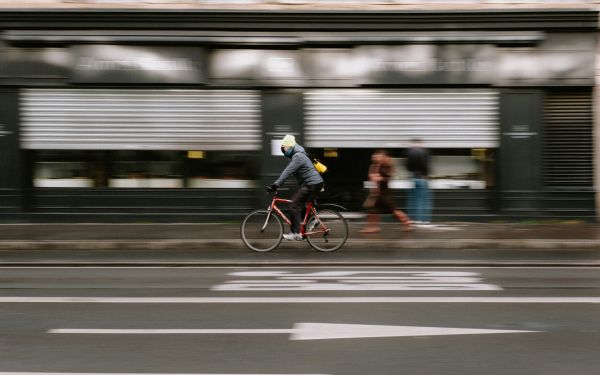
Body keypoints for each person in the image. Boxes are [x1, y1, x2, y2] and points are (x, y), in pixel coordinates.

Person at [267, 135, 324, 241]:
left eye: (283, 147)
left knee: (293, 205)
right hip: (313, 183)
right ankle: (311, 221)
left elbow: (287, 172)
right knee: (300, 204)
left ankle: (295, 232)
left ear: (289, 146)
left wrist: (276, 185)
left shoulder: (298, 156)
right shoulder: (297, 155)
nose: (282, 149)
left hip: (311, 184)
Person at [360, 150, 412, 233]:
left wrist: (380, 178)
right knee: (371, 210)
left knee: (394, 211)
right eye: (374, 156)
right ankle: (373, 227)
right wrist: (372, 177)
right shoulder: (374, 166)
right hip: (375, 194)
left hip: (385, 194)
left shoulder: (386, 166)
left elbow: (388, 179)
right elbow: (371, 177)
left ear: (382, 157)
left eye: (377, 156)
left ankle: (408, 223)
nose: (374, 157)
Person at [405, 138, 432, 225]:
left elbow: (407, 166)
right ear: (420, 143)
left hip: (413, 177)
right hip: (422, 178)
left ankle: (413, 218)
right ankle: (423, 219)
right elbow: (426, 165)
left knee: (413, 199)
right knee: (423, 200)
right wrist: (425, 174)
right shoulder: (424, 152)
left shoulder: (409, 152)